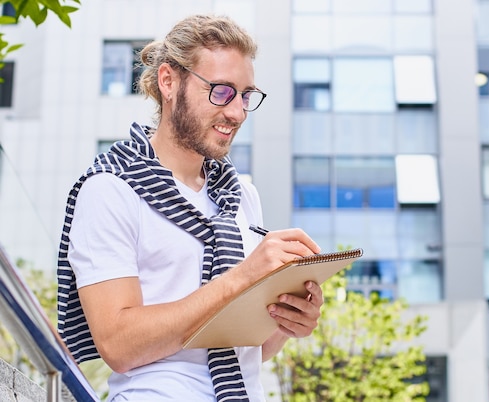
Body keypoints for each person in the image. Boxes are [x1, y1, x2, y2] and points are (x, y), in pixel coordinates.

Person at [57, 14, 324, 402]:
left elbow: (245, 352)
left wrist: (285, 321)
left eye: (246, 95)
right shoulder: (111, 190)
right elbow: (117, 345)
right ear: (168, 81)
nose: (236, 113)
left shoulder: (240, 194)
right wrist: (241, 280)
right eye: (221, 91)